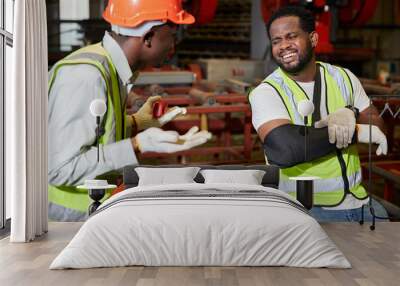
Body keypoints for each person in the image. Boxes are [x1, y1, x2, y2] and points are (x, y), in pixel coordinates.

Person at [48, 0, 211, 221]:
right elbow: (60, 169)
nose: (173, 47)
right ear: (148, 37)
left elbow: (95, 136)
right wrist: (136, 145)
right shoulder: (86, 76)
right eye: (172, 35)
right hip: (67, 219)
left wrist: (136, 123)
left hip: (93, 209)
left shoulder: (111, 69)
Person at [249, 6, 388, 222]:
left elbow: (378, 128)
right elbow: (286, 149)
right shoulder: (268, 91)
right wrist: (357, 132)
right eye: (276, 41)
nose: (284, 46)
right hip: (305, 209)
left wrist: (350, 113)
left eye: (291, 36)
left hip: (358, 202)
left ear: (313, 38)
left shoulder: (344, 78)